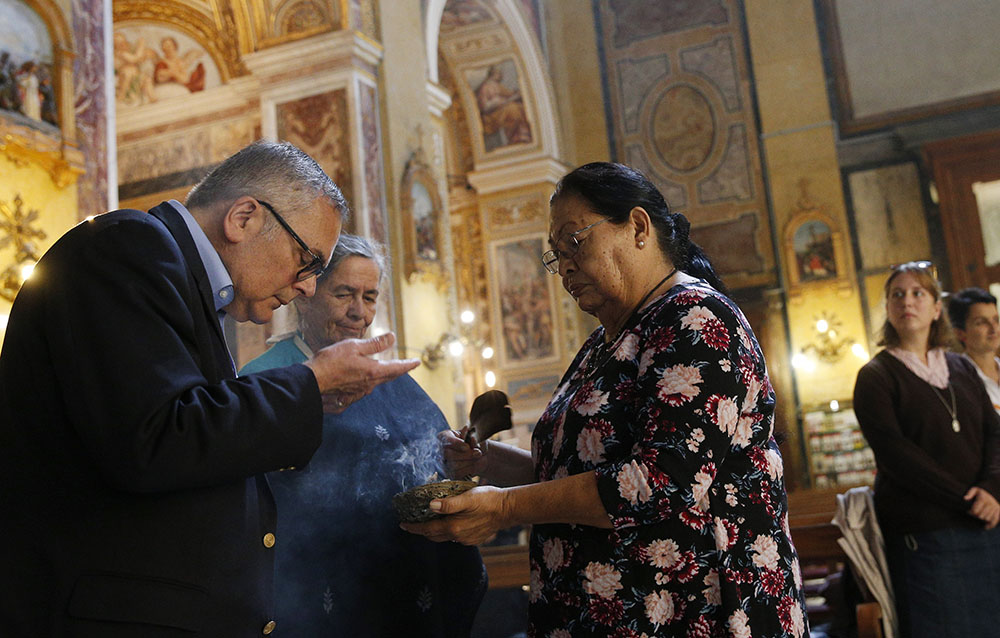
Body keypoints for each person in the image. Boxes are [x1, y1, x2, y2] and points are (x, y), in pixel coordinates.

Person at [0, 140, 419, 635]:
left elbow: (193, 426)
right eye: (307, 260)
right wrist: (309, 384)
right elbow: (156, 435)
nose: (307, 286)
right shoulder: (127, 247)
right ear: (244, 218)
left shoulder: (185, 282)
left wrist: (311, 394)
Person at [405, 162, 808, 637]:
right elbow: (576, 476)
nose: (565, 267)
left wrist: (504, 508)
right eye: (556, 255)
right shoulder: (603, 343)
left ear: (637, 227)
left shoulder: (697, 320)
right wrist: (485, 463)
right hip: (604, 611)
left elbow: (661, 481)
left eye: (575, 241)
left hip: (692, 609)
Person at [240, 233, 487, 636]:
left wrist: (454, 454)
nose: (359, 312)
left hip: (410, 582)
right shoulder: (266, 377)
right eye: (344, 294)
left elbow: (433, 453)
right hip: (312, 589)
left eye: (370, 297)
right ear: (307, 294)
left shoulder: (388, 376)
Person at [852, 261, 1000, 638]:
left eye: (919, 293)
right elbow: (898, 456)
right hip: (926, 532)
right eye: (897, 295)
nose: (908, 301)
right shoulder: (877, 376)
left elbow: (993, 435)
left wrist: (992, 490)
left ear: (937, 309)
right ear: (888, 308)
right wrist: (968, 498)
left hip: (985, 525)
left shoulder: (961, 369)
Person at [947, 286, 1000, 413]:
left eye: (996, 320)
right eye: (981, 322)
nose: (993, 328)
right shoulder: (958, 382)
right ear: (960, 333)